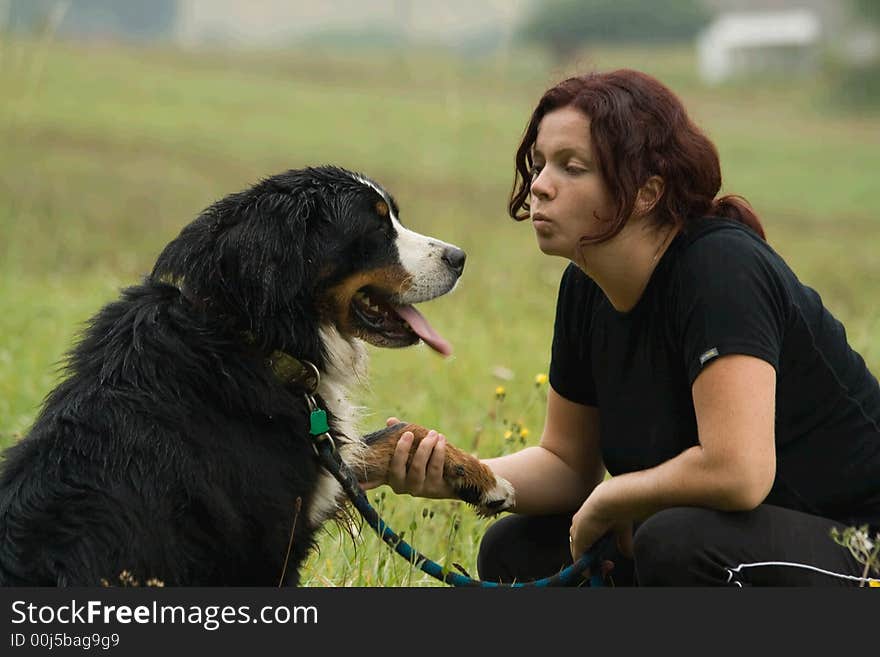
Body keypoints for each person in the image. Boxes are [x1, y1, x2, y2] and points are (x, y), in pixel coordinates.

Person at [367, 69, 880, 586]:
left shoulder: (721, 269)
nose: (541, 186)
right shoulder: (585, 287)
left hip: (858, 545)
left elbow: (738, 472)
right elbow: (567, 465)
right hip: (727, 538)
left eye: (572, 167)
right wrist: (455, 472)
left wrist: (612, 496)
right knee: (518, 548)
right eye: (540, 164)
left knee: (674, 541)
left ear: (646, 192)